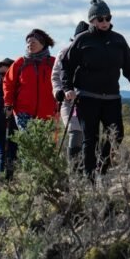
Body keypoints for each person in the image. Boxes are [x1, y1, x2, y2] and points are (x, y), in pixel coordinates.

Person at [61, 0, 130, 179]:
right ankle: (90, 178)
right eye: (100, 18)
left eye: (107, 17)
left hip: (112, 98)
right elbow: (66, 66)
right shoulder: (82, 40)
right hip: (87, 97)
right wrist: (68, 88)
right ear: (92, 20)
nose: (104, 22)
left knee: (116, 135)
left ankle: (102, 168)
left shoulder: (118, 40)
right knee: (90, 139)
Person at [3, 29, 57, 131]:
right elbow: (8, 84)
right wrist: (8, 103)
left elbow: (60, 83)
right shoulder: (20, 63)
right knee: (27, 143)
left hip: (48, 113)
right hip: (23, 112)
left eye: (33, 42)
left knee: (44, 145)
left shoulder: (53, 63)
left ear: (42, 44)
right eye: (28, 42)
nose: (29, 45)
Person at [52, 21, 89, 168]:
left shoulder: (93, 52)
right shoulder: (64, 52)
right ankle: (74, 170)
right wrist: (58, 91)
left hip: (90, 100)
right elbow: (55, 76)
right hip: (69, 101)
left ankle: (86, 169)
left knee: (89, 135)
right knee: (75, 131)